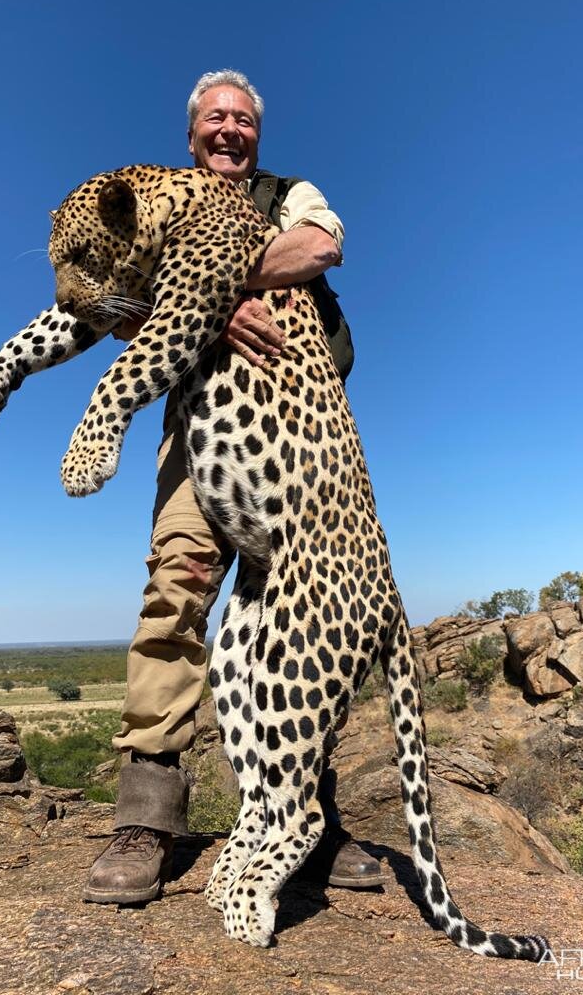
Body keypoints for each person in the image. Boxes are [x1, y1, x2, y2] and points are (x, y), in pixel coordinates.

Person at [83, 69, 386, 905]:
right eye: (214, 118)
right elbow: (105, 300)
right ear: (189, 136)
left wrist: (218, 281)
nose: (228, 129)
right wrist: (213, 315)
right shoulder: (151, 203)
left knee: (307, 615)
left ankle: (306, 818)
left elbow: (320, 245)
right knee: (175, 589)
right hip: (200, 433)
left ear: (257, 134)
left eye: (242, 119)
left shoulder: (291, 193)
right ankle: (146, 814)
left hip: (299, 440)